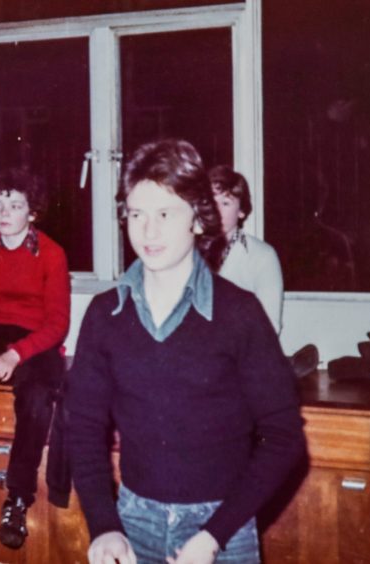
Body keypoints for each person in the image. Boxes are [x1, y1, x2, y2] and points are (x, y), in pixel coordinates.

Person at [68, 139, 306, 564]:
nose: (148, 231)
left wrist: (214, 535)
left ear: (197, 219)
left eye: (165, 213)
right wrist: (104, 525)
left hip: (223, 529)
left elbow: (285, 438)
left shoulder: (239, 313)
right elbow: (83, 428)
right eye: (137, 215)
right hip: (132, 522)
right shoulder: (105, 315)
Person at [0, 168, 71, 549]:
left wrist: (16, 353)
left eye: (15, 205)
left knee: (39, 395)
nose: (4, 213)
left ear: (33, 212)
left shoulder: (53, 254)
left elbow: (58, 324)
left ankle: (19, 497)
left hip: (37, 340)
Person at [209, 165, 284, 334]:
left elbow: (270, 327)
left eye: (225, 203)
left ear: (241, 211)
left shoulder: (263, 256)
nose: (215, 210)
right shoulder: (186, 252)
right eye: (211, 202)